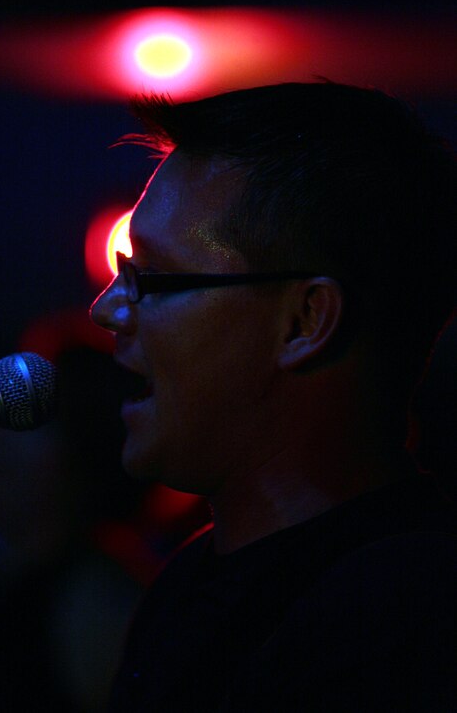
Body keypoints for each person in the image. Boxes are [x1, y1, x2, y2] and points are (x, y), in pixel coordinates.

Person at [90, 82, 457, 712]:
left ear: (305, 321)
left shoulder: (402, 616)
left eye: (149, 277)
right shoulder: (190, 580)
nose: (107, 309)